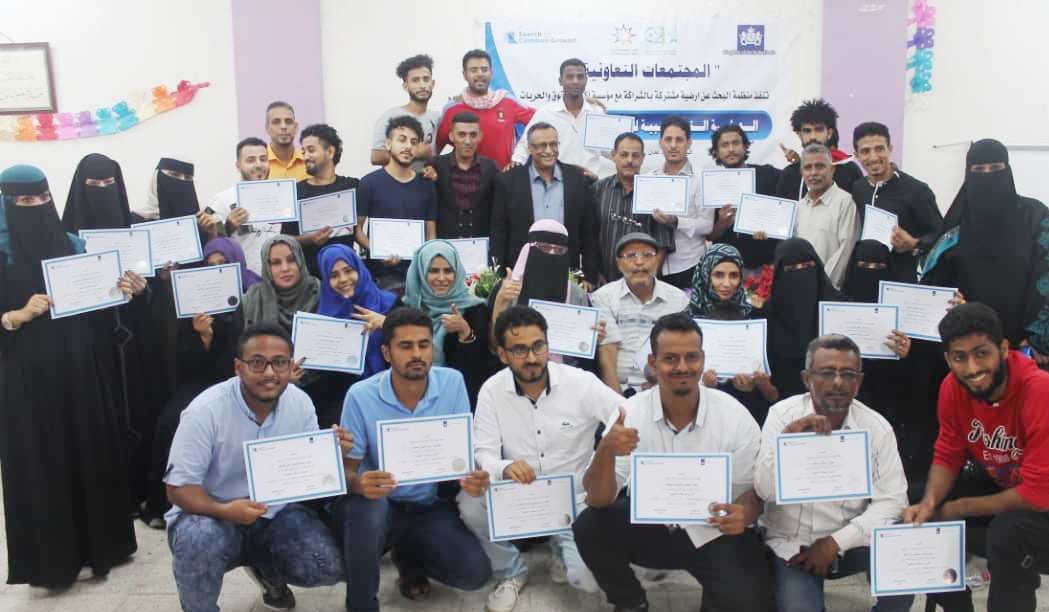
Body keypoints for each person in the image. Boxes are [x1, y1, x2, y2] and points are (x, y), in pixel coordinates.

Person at [1, 164, 143, 587]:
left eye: (43, 198)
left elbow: (99, 315)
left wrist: (124, 292)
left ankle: (105, 546)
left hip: (81, 369)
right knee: (42, 460)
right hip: (26, 379)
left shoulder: (74, 245)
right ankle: (53, 561)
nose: (37, 207)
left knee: (89, 449)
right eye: (26, 201)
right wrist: (16, 315)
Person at [574, 313, 774, 612]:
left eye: (691, 357)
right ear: (653, 363)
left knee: (752, 602)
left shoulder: (734, 416)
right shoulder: (631, 412)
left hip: (715, 532)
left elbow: (751, 492)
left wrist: (744, 514)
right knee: (589, 525)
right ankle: (630, 601)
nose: (682, 367)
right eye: (670, 359)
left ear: (703, 359)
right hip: (652, 529)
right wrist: (605, 450)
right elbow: (598, 499)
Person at [164, 323, 345, 612]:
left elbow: (311, 476)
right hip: (212, 515)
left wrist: (332, 454)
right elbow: (178, 488)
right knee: (198, 539)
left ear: (291, 366)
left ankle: (269, 575)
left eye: (279, 362)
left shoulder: (300, 403)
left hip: (275, 515)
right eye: (258, 363)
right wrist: (225, 510)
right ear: (238, 367)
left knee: (326, 566)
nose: (270, 373)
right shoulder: (204, 411)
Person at [461, 306, 622, 610]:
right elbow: (483, 450)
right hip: (520, 494)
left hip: (574, 498)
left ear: (549, 344)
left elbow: (624, 416)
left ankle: (562, 550)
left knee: (587, 581)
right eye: (519, 350)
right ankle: (511, 572)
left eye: (538, 346)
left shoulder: (581, 382)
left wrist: (611, 464)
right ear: (503, 354)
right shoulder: (492, 390)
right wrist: (504, 467)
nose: (532, 358)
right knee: (469, 503)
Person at [333, 307, 493, 610]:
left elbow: (462, 455)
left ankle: (408, 557)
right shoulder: (360, 395)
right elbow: (347, 471)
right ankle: (361, 604)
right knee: (366, 511)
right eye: (405, 346)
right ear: (387, 353)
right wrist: (359, 484)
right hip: (379, 505)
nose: (417, 354)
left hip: (427, 504)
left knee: (475, 574)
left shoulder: (452, 383)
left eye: (423, 344)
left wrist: (474, 476)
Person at [904, 303, 1049, 612]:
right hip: (1006, 485)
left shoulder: (1039, 391)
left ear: (1004, 349)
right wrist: (930, 502)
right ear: (948, 359)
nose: (972, 368)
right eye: (959, 357)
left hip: (1042, 503)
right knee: (913, 506)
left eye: (981, 353)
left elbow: (1037, 496)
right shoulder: (952, 387)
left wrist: (959, 508)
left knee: (1008, 534)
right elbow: (948, 452)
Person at [754, 334, 912, 612]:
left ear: (859, 382)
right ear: (806, 379)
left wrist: (835, 543)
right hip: (792, 544)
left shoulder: (876, 428)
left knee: (904, 567)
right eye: (827, 373)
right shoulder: (782, 416)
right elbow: (764, 491)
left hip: (853, 539)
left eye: (848, 374)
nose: (838, 382)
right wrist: (787, 442)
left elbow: (893, 502)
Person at [61, 152, 165, 516]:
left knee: (140, 409)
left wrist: (144, 289)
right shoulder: (64, 237)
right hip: (92, 346)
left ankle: (142, 489)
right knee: (98, 420)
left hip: (136, 344)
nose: (103, 191)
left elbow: (156, 294)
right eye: (94, 185)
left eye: (109, 184)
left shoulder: (137, 228)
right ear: (81, 188)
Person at [142, 237, 255, 528]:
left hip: (242, 381)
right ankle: (163, 503)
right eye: (210, 264)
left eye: (223, 264)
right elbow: (187, 363)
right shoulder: (194, 302)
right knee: (171, 422)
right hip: (201, 382)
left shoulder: (251, 295)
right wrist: (204, 337)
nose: (216, 269)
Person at [923, 138, 1049, 364]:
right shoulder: (956, 226)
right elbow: (933, 285)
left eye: (995, 168)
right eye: (979, 170)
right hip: (968, 352)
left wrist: (1039, 337)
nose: (988, 175)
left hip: (1025, 353)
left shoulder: (1035, 217)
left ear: (1007, 170)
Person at [490, 122, 600, 288]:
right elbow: (499, 233)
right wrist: (498, 277)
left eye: (553, 144)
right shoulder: (508, 181)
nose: (549, 150)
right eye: (542, 145)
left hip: (567, 274)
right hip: (520, 276)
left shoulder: (577, 179)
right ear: (530, 148)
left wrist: (589, 276)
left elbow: (589, 233)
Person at [691, 244, 779, 424]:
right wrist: (704, 385)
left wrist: (761, 384)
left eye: (734, 275)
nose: (727, 283)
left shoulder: (756, 319)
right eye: (718, 275)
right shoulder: (688, 319)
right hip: (700, 416)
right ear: (705, 274)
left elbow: (774, 396)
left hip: (748, 415)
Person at [403, 239, 498, 407]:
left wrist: (466, 333)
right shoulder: (407, 309)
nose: (441, 278)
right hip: (413, 401)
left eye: (448, 271)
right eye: (433, 271)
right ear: (421, 272)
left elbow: (482, 367)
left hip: (460, 400)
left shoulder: (475, 310)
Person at [593, 232, 690, 395]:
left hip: (664, 388)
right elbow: (608, 351)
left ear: (657, 260)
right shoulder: (604, 297)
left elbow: (679, 350)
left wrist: (663, 388)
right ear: (619, 263)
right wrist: (617, 401)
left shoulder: (679, 299)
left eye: (647, 255)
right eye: (631, 255)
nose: (639, 262)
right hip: (619, 389)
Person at [849, 122, 942, 283]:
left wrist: (914, 243)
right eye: (865, 151)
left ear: (890, 149)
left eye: (879, 149)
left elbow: (940, 235)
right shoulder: (858, 188)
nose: (873, 157)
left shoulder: (917, 190)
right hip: (863, 279)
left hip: (900, 282)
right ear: (856, 155)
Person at [355, 115, 438, 294]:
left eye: (414, 142)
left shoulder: (427, 185)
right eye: (402, 140)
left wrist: (426, 263)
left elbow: (431, 234)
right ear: (388, 144)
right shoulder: (369, 183)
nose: (408, 146)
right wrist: (377, 250)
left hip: (417, 277)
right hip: (379, 278)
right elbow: (357, 230)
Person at [594, 132, 676, 284]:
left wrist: (647, 277)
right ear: (613, 156)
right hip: (603, 282)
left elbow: (663, 244)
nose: (629, 160)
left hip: (644, 284)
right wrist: (594, 273)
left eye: (635, 155)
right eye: (624, 155)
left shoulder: (656, 191)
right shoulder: (598, 189)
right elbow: (589, 238)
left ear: (643, 158)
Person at [510, 58, 614, 178]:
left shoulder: (597, 113)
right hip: (558, 182)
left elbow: (611, 151)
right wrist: (517, 163)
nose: (575, 81)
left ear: (586, 80)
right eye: (570, 77)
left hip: (593, 182)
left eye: (580, 77)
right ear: (560, 81)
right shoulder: (546, 113)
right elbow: (525, 144)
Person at [765, 238, 843, 399]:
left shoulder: (838, 310)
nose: (800, 273)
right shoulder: (766, 317)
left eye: (807, 266)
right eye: (791, 269)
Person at [643, 116, 714, 289]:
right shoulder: (649, 179)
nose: (673, 145)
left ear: (689, 143)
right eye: (668, 140)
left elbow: (707, 225)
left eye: (679, 140)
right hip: (652, 266)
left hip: (689, 265)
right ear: (660, 143)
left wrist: (676, 221)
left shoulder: (701, 178)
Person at [283, 123, 360, 279]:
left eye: (311, 150)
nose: (305, 157)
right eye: (303, 152)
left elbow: (361, 230)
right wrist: (309, 239)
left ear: (330, 151)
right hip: (310, 279)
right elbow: (285, 240)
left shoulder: (353, 186)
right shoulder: (295, 192)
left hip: (347, 276)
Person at [436, 49, 534, 169]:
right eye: (474, 70)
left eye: (484, 69)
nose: (480, 74)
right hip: (465, 178)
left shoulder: (508, 101)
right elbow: (438, 148)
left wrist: (520, 155)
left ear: (491, 73)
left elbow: (539, 120)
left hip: (503, 177)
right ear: (464, 75)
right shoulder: (452, 108)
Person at [706, 124, 783, 271]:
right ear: (716, 151)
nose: (731, 149)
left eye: (735, 143)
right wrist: (722, 223)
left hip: (767, 266)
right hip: (727, 269)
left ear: (745, 146)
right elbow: (709, 236)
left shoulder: (768, 174)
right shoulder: (711, 185)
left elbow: (790, 203)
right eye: (724, 145)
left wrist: (771, 228)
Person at [208, 136, 281, 276]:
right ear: (238, 165)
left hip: (279, 278)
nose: (258, 165)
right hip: (244, 280)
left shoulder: (281, 195)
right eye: (250, 160)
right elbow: (211, 246)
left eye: (263, 159)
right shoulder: (222, 199)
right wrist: (228, 226)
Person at [794, 143, 859, 289]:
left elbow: (846, 251)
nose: (813, 173)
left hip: (830, 291)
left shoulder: (845, 202)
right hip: (801, 287)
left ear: (832, 169)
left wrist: (822, 285)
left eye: (820, 166)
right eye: (808, 167)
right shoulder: (800, 206)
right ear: (802, 173)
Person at [775, 98, 864, 201]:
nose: (813, 136)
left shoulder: (850, 171)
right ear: (799, 135)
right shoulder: (789, 174)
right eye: (807, 131)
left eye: (819, 130)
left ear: (829, 133)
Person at [431, 111, 499, 239]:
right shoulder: (436, 166)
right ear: (451, 136)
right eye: (461, 135)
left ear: (480, 136)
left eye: (473, 135)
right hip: (446, 245)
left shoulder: (491, 168)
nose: (468, 141)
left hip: (481, 245)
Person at [371, 54, 440, 171]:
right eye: (415, 80)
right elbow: (376, 157)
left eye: (426, 79)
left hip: (427, 180)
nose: (422, 85)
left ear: (432, 83)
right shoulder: (391, 116)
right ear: (405, 86)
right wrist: (416, 153)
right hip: (397, 181)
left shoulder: (437, 118)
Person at [265, 101, 307, 180]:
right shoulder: (260, 163)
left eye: (288, 121)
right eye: (276, 122)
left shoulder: (309, 161)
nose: (283, 126)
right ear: (267, 128)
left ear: (296, 127)